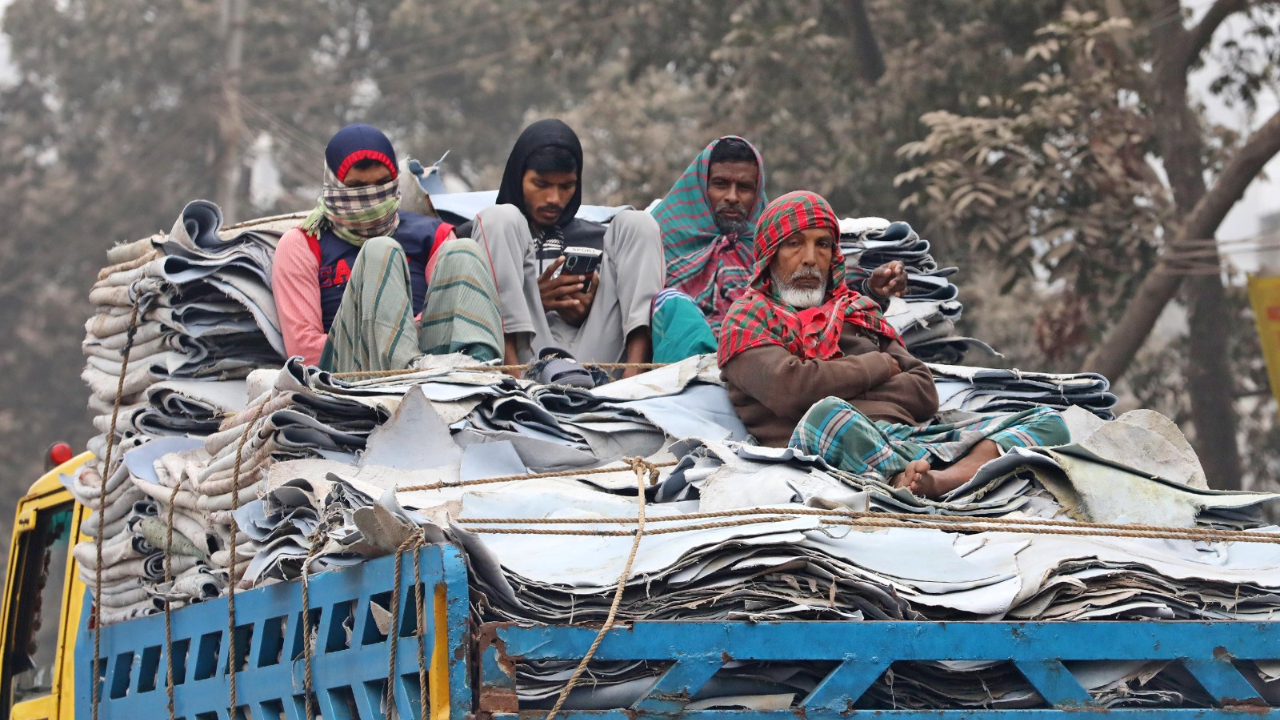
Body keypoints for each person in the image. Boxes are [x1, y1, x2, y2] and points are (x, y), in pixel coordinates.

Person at [718, 190, 1069, 499]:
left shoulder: (857, 310)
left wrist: (832, 378)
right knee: (827, 414)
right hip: (831, 441)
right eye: (795, 243)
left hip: (909, 437)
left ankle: (937, 479)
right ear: (770, 252)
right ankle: (930, 471)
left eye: (822, 244)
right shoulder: (748, 318)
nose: (810, 257)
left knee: (1047, 420)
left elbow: (923, 392)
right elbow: (791, 389)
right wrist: (879, 367)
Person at [651, 136, 909, 362]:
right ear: (701, 186)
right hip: (690, 363)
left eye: (744, 187)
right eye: (720, 184)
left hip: (767, 358)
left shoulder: (774, 239)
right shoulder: (662, 237)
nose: (732, 196)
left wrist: (872, 289)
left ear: (757, 192)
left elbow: (820, 289)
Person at [272, 124, 503, 373]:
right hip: (349, 370)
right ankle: (402, 366)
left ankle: (480, 368)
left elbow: (457, 311)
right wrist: (392, 338)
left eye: (382, 183)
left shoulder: (431, 234)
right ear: (333, 185)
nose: (372, 199)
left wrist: (413, 339)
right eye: (357, 187)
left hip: (433, 362)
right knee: (380, 251)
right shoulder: (305, 244)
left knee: (464, 250)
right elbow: (304, 351)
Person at [460, 119, 663, 377]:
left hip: (599, 360)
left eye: (566, 186)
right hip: (525, 360)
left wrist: (587, 308)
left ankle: (634, 375)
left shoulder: (605, 238)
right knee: (499, 218)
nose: (554, 199)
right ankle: (512, 379)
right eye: (541, 184)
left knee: (639, 223)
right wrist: (536, 301)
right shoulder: (480, 232)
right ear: (518, 177)